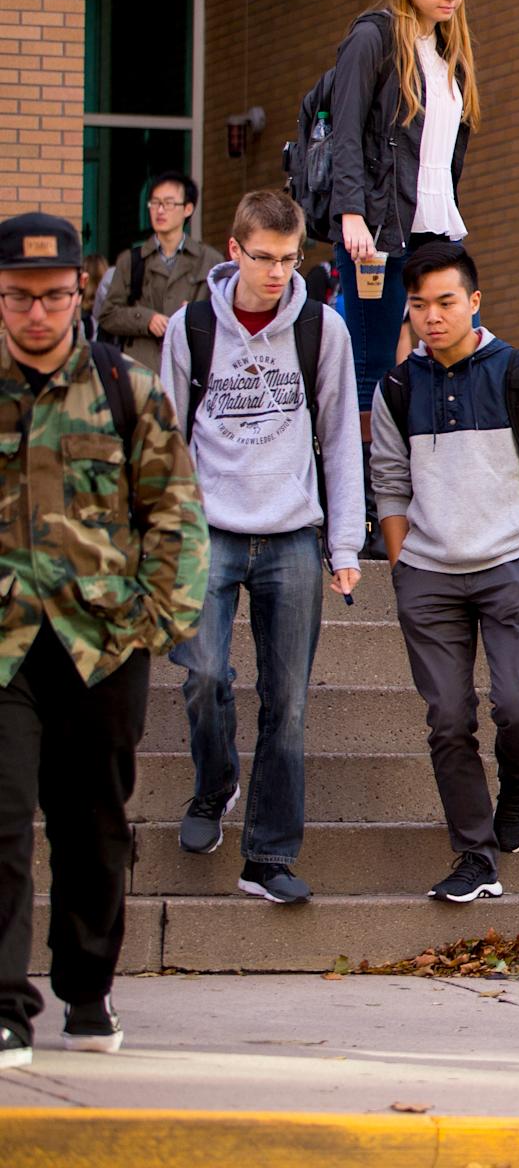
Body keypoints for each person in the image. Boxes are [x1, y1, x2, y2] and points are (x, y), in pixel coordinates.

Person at [0, 212, 206, 1068]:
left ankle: (88, 989)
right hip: (5, 643)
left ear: (80, 290)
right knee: (2, 823)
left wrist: (150, 625)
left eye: (53, 295)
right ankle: (6, 1005)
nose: (37, 314)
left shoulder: (128, 389)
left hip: (101, 645)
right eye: (19, 297)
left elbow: (175, 516)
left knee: (93, 825)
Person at [158, 189, 364, 905]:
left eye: (288, 258)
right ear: (234, 248)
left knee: (289, 701)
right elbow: (168, 442)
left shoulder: (320, 328)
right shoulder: (190, 328)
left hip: (292, 536)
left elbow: (339, 437)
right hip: (208, 531)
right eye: (263, 258)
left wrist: (345, 543)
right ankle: (214, 787)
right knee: (205, 674)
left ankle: (268, 857)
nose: (277, 273)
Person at [369, 242, 519, 905]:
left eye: (446, 302)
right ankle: (474, 856)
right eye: (419, 305)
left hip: (508, 565)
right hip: (428, 577)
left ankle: (516, 784)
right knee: (448, 717)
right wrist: (403, 565)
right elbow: (390, 483)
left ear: (474, 302)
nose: (432, 317)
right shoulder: (398, 388)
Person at [325, 0, 479, 462]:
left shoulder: (448, 54)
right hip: (376, 231)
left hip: (436, 227)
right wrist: (351, 213)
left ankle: (440, 469)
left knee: (461, 345)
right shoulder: (374, 37)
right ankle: (365, 497)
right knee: (369, 362)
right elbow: (345, 131)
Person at [98, 171, 207, 374]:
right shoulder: (130, 261)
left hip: (189, 371)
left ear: (188, 208)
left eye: (168, 203)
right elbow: (107, 315)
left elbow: (225, 318)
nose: (160, 210)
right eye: (154, 203)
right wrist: (146, 319)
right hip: (139, 371)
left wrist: (196, 314)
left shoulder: (209, 261)